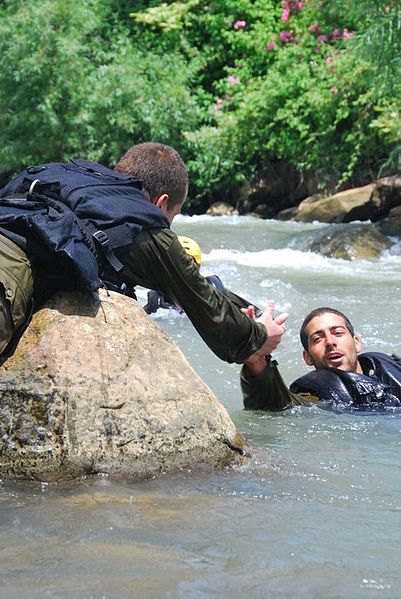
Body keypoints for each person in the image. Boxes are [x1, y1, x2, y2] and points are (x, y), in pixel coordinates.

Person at [0, 142, 287, 366]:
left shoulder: (71, 180)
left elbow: (190, 287)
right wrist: (259, 333)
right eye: (173, 215)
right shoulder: (143, 224)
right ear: (161, 204)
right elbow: (217, 323)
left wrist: (245, 308)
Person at [240, 306, 401, 411]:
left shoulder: (391, 368)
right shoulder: (314, 397)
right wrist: (256, 356)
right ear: (307, 357)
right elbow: (274, 403)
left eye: (338, 333)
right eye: (318, 339)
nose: (330, 342)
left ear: (357, 343)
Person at [143, 235, 228, 315]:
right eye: (176, 264)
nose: (181, 270)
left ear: (196, 265)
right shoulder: (159, 297)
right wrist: (149, 308)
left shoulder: (212, 285)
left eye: (186, 264)